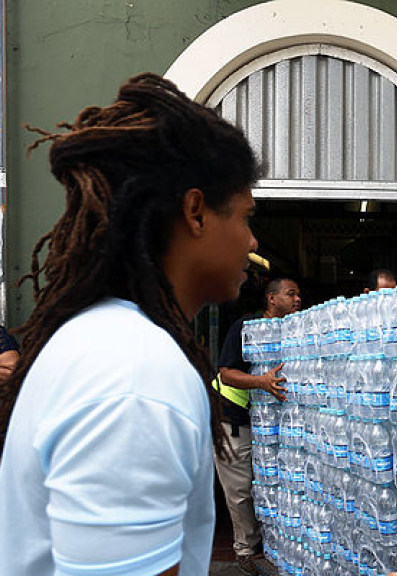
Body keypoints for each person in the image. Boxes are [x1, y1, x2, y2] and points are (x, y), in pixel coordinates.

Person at [0, 72, 263, 575]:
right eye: (247, 217)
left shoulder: (108, 340)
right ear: (196, 212)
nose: (252, 242)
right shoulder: (135, 375)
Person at [213, 277, 301, 574]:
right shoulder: (247, 328)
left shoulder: (296, 330)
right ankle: (245, 551)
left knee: (269, 485)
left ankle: (274, 544)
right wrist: (261, 382)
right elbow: (226, 374)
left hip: (272, 427)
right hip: (236, 420)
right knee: (241, 490)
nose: (297, 299)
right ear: (271, 299)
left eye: (299, 294)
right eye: (291, 294)